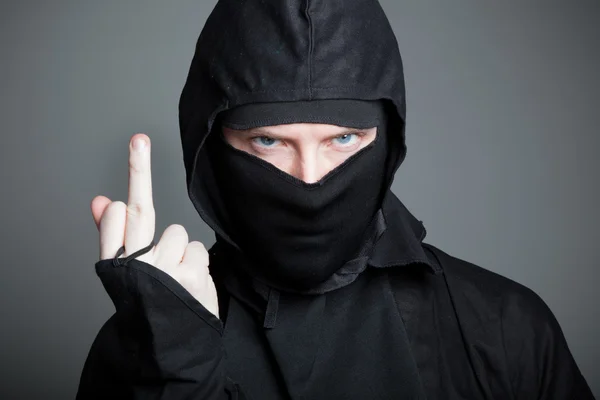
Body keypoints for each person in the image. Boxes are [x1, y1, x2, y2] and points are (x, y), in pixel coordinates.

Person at [76, 0, 595, 399]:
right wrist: (176, 373)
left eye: (343, 139)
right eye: (268, 141)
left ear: (387, 139)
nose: (309, 179)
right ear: (212, 146)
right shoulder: (149, 342)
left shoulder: (505, 326)